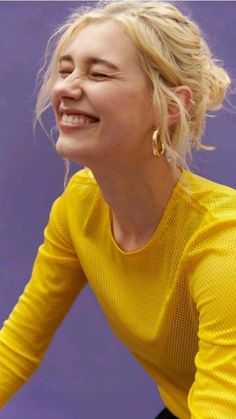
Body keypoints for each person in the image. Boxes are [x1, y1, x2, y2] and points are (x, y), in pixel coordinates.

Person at [0, 1, 235, 417]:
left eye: (98, 73)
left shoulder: (222, 248)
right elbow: (16, 347)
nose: (66, 88)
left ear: (169, 107)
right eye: (65, 69)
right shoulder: (81, 205)